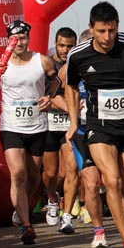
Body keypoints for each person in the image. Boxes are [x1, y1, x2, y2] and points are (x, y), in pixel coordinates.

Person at [65, 2, 124, 248]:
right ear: (91, 28)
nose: (107, 38)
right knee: (113, 182)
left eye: (112, 31)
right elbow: (71, 87)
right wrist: (74, 121)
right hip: (99, 126)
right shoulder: (78, 54)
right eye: (102, 31)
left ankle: (120, 203)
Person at [0, 20, 57, 245]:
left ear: (28, 38)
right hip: (11, 126)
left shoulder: (41, 61)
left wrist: (49, 97)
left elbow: (56, 81)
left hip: (37, 126)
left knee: (33, 175)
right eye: (15, 38)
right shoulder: (1, 65)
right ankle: (26, 225)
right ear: (8, 40)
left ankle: (19, 207)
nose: (19, 42)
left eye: (23, 38)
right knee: (18, 174)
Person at [42, 27, 79, 233]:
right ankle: (52, 199)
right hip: (48, 125)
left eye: (70, 46)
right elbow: (49, 96)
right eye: (62, 45)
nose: (66, 49)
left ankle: (66, 216)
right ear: (55, 44)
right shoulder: (47, 65)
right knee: (51, 174)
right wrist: (70, 106)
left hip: (69, 125)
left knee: (69, 170)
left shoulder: (77, 63)